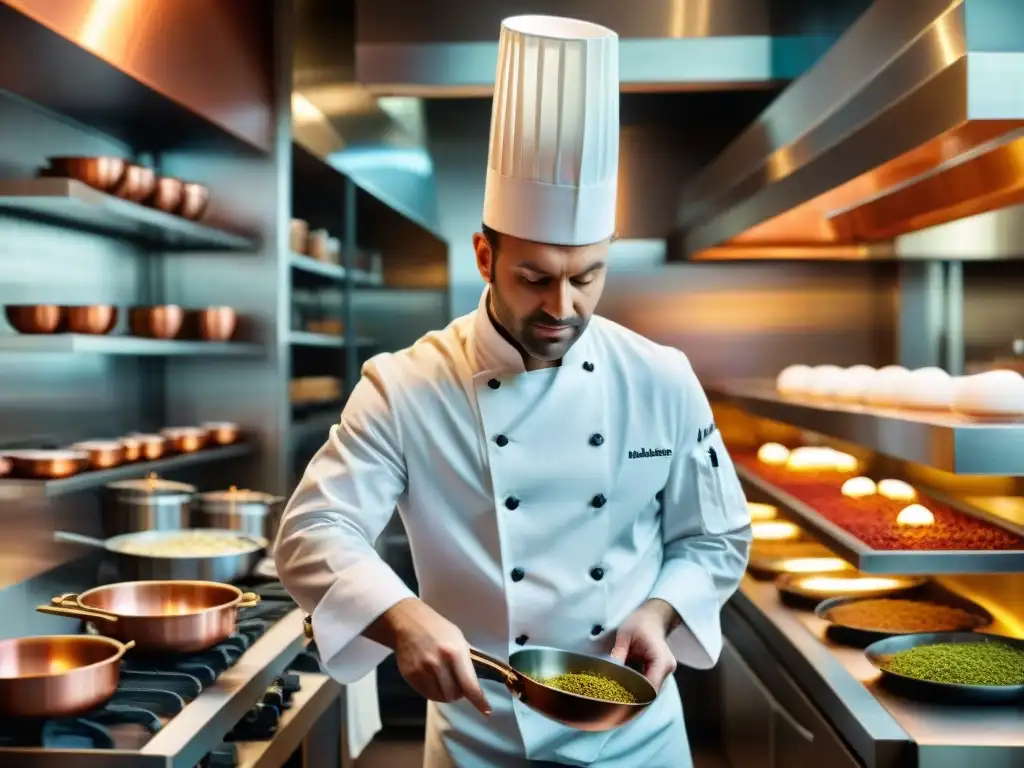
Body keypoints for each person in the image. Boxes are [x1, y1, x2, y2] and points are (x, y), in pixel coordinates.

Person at [275, 14, 752, 768]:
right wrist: (400, 615)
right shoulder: (404, 386)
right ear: (485, 255)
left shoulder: (660, 377)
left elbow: (715, 537)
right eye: (535, 278)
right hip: (481, 735)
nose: (562, 307)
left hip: (639, 736)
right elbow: (312, 533)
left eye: (587, 277)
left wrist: (661, 613)